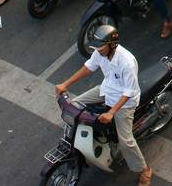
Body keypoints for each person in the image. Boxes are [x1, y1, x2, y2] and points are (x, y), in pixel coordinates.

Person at [54, 25, 153, 186]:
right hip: (106, 90)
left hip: (124, 102)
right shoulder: (100, 52)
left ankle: (144, 169)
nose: (98, 51)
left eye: (100, 48)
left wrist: (111, 112)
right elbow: (88, 67)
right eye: (96, 48)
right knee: (74, 105)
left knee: (126, 141)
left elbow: (129, 91)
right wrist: (65, 84)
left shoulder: (127, 62)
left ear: (112, 44)